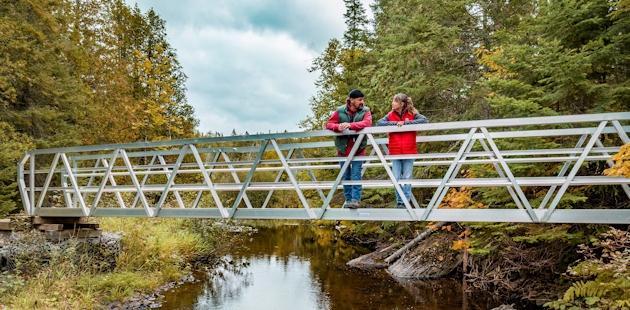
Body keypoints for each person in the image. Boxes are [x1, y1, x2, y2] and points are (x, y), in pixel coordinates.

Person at [376, 94, 428, 208]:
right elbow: (379, 123)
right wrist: (395, 124)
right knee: (395, 178)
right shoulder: (390, 115)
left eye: (394, 101)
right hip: (395, 151)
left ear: (401, 104)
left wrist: (406, 123)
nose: (392, 103)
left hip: (409, 150)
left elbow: (424, 121)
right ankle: (400, 201)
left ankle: (405, 201)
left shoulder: (412, 114)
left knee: (407, 177)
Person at [326, 89, 373, 209]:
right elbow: (329, 125)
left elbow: (367, 123)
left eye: (362, 99)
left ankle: (355, 200)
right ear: (351, 100)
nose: (362, 102)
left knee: (356, 173)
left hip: (358, 148)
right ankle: (348, 200)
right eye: (359, 100)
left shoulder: (365, 111)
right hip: (343, 149)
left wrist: (350, 125)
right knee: (345, 175)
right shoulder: (340, 110)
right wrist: (338, 126)